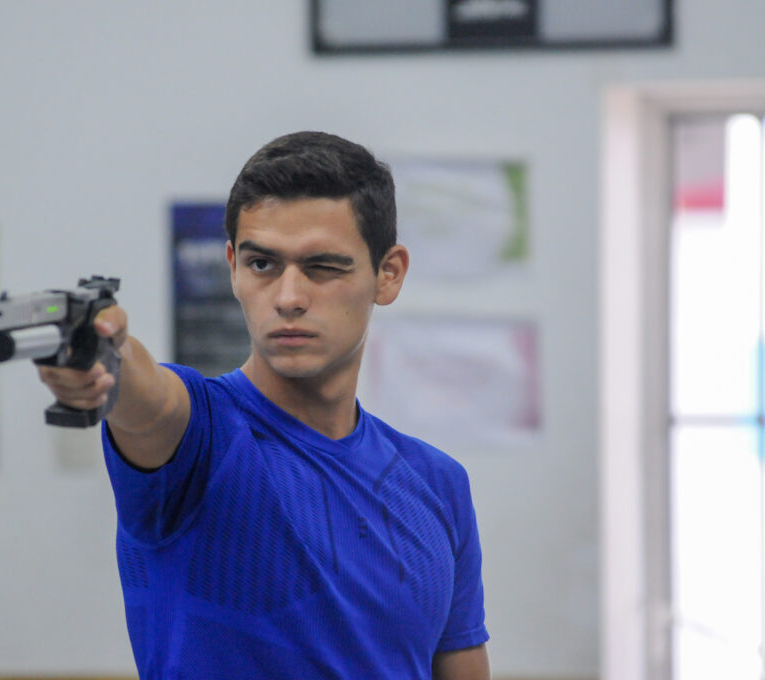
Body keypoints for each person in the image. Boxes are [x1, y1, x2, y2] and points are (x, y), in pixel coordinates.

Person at [38, 131, 490, 679]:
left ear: (387, 273)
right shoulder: (201, 438)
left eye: (323, 266)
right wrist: (104, 358)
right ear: (232, 265)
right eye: (262, 265)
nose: (289, 297)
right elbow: (148, 399)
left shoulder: (437, 484)